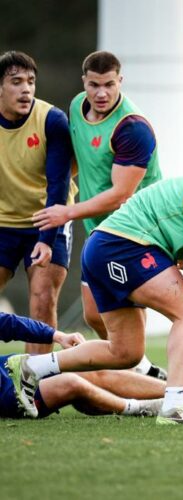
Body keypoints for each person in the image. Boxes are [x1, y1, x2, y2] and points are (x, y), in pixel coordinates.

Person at [8, 150, 183, 425]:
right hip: (122, 247)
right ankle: (174, 408)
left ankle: (31, 366)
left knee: (126, 352)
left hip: (105, 248)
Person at [31, 51, 164, 379]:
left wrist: (67, 212)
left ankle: (146, 375)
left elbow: (121, 194)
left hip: (137, 230)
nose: (101, 93)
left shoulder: (132, 128)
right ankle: (141, 368)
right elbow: (80, 160)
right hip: (100, 229)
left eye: (109, 84)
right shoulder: (77, 106)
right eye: (94, 85)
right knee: (93, 314)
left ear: (121, 81)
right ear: (84, 83)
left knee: (126, 305)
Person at [0, 312, 183, 419]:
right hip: (7, 393)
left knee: (96, 370)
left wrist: (57, 335)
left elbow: (6, 323)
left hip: (10, 367)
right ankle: (144, 408)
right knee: (71, 383)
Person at [0, 51, 76, 355]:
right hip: (3, 222)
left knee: (43, 298)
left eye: (31, 81)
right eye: (16, 82)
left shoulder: (51, 120)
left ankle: (39, 379)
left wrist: (46, 239)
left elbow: (58, 183)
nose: (26, 89)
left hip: (48, 219)